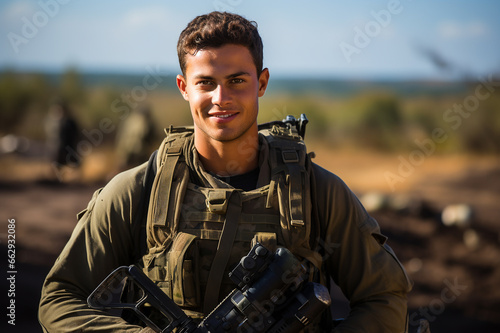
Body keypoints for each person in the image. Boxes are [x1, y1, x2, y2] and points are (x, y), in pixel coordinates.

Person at [39, 11, 412, 332]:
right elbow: (58, 299)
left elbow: (384, 298)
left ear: (261, 83)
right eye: (206, 83)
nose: (221, 98)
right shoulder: (138, 190)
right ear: (184, 88)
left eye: (237, 80)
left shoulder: (318, 192)